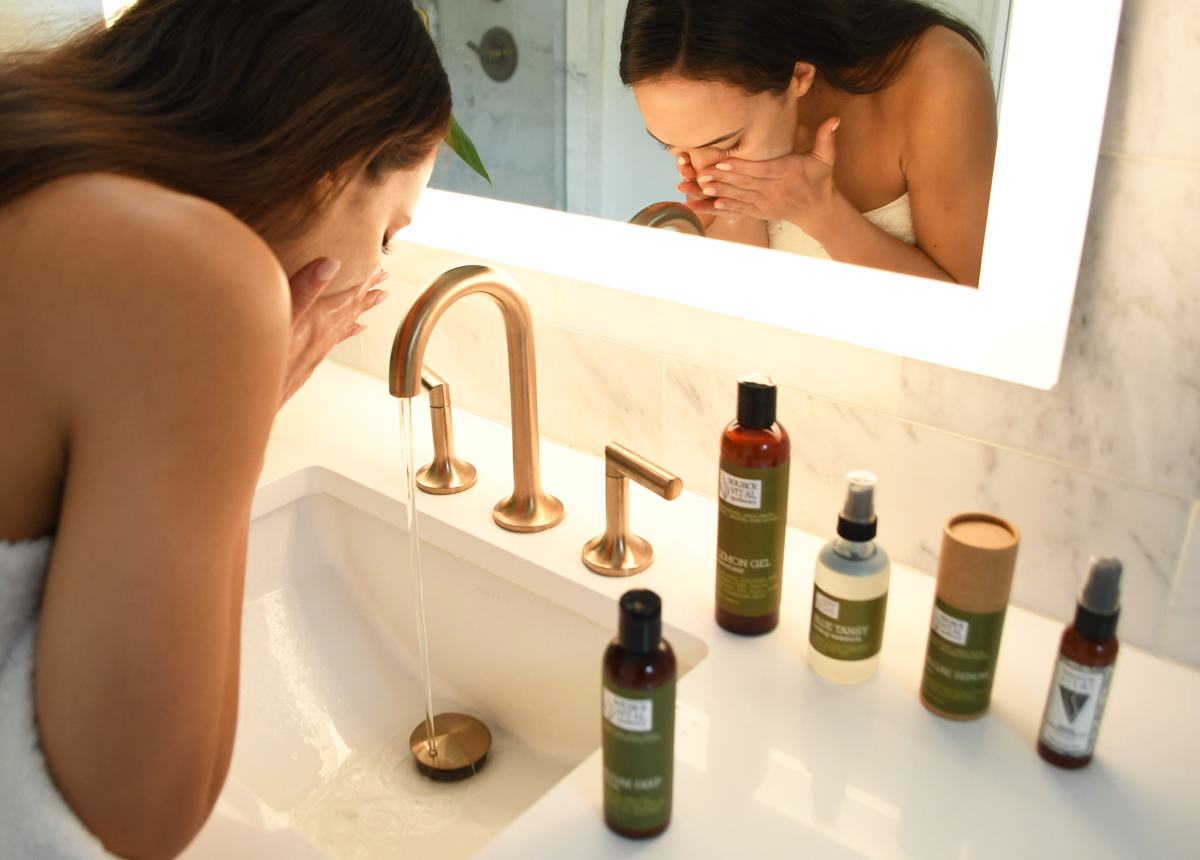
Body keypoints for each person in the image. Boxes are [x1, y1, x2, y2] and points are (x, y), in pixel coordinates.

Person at [0, 1, 451, 857]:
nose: (379, 271)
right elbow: (140, 816)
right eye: (390, 228)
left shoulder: (34, 166)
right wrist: (241, 419)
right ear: (335, 160)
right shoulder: (199, 274)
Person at [620, 0, 998, 287]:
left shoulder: (938, 79)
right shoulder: (719, 130)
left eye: (727, 145)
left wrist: (824, 214)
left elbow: (968, 316)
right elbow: (740, 307)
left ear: (799, 76)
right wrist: (740, 210)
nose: (703, 173)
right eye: (670, 146)